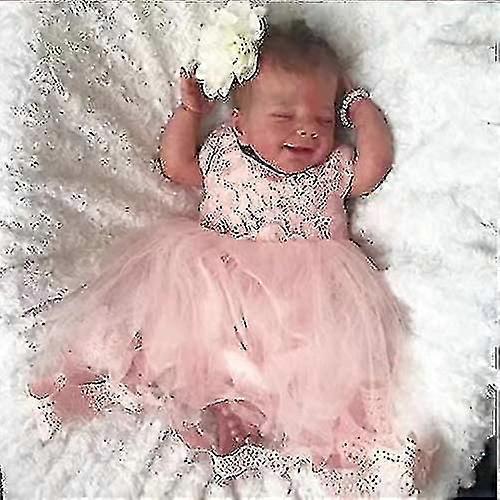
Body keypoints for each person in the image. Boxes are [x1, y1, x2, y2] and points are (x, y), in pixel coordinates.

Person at [27, 13, 439, 496]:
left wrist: (357, 103)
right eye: (284, 117)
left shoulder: (335, 167)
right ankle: (179, 397)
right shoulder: (225, 152)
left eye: (324, 120)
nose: (307, 130)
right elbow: (176, 164)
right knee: (178, 337)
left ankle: (353, 453)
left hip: (303, 302)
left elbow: (377, 164)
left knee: (312, 375)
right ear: (239, 123)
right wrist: (190, 113)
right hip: (216, 279)